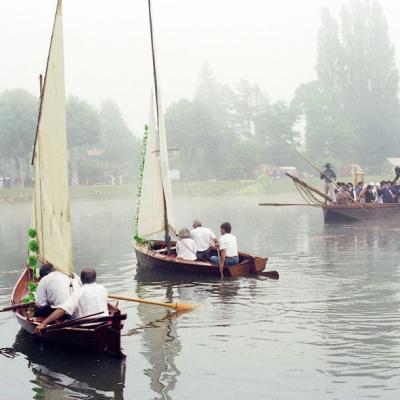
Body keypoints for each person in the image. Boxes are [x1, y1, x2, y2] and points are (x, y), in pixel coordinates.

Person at [34, 268, 108, 333]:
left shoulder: (80, 292)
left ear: (81, 280)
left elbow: (61, 310)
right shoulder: (103, 289)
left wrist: (43, 323)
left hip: (88, 326)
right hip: (105, 323)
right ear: (95, 278)